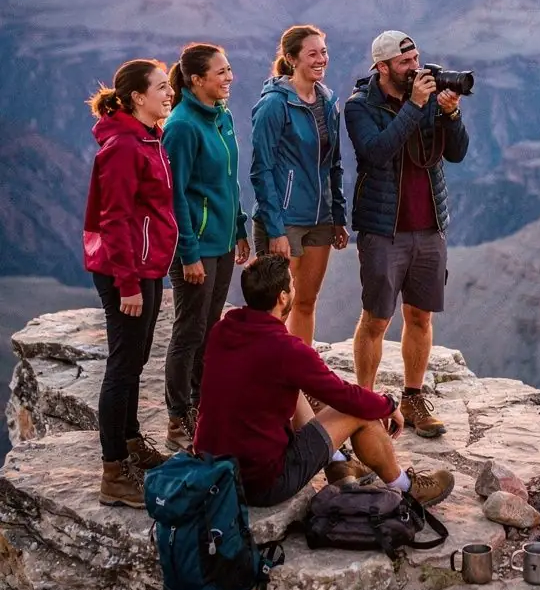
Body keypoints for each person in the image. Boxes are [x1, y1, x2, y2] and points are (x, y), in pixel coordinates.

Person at [194, 253, 455, 508]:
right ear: (282, 297)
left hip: (212, 471)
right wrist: (387, 404)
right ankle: (406, 487)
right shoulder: (287, 350)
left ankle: (338, 462)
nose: (294, 287)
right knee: (358, 411)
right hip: (261, 483)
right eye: (291, 283)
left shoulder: (222, 330)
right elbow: (344, 397)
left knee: (292, 387)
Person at [345, 31, 469, 438]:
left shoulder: (429, 98)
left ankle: (413, 398)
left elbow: (457, 153)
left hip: (429, 225)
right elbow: (376, 152)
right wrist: (415, 106)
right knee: (376, 318)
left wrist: (451, 115)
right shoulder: (360, 106)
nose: (415, 67)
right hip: (384, 229)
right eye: (405, 62)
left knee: (420, 316)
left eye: (416, 58)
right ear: (382, 67)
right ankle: (364, 405)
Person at [83, 59, 177, 507]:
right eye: (161, 87)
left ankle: (132, 441)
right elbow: (115, 219)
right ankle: (114, 472)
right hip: (126, 270)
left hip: (147, 264)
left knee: (135, 359)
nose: (169, 92)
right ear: (138, 97)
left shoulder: (148, 137)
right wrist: (127, 284)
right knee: (123, 365)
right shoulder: (123, 146)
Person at [162, 42, 250, 450]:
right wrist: (188, 253)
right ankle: (177, 419)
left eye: (229, 69)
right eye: (221, 72)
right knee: (189, 331)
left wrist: (239, 227)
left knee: (210, 327)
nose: (229, 77)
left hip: (223, 240)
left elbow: (229, 181)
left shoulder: (221, 116)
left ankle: (202, 407)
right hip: (196, 247)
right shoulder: (181, 126)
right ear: (196, 79)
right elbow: (174, 195)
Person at [250, 24, 348, 346]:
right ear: (292, 59)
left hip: (320, 219)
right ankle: (269, 374)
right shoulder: (274, 105)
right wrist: (275, 228)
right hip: (285, 220)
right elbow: (261, 170)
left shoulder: (328, 101)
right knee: (275, 308)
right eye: (312, 54)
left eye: (324, 52)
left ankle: (301, 371)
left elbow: (334, 163)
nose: (321, 59)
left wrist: (338, 215)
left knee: (305, 302)